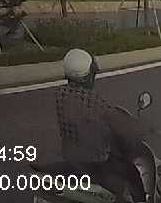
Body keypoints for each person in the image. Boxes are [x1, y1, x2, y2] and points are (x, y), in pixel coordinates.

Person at [55, 48, 147, 202]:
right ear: (87, 76)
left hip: (71, 158)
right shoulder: (92, 100)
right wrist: (141, 129)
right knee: (132, 174)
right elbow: (116, 120)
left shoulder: (61, 94)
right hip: (95, 161)